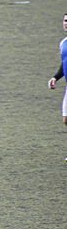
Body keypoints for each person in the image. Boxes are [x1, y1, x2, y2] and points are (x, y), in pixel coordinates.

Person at [46, 13, 67, 161]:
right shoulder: (63, 43)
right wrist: (55, 77)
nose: (66, 23)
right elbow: (64, 63)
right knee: (66, 120)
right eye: (65, 21)